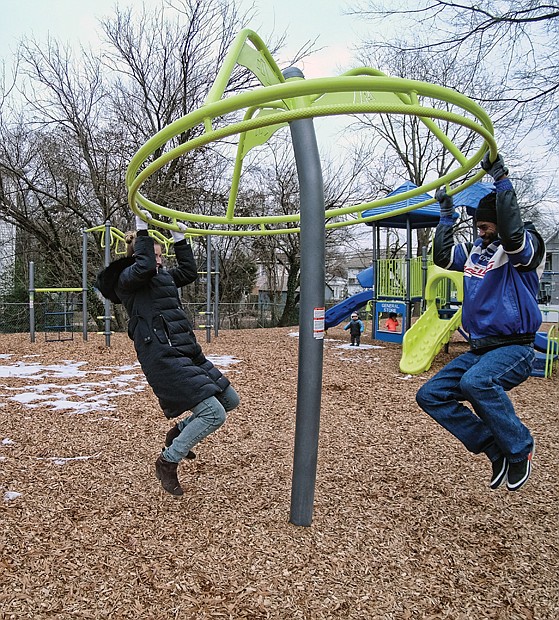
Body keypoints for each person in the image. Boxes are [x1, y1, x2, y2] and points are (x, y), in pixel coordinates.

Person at [416, 153, 545, 492]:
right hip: (480, 348)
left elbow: (514, 238)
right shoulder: (478, 250)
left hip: (515, 346)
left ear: (502, 222)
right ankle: (494, 448)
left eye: (487, 227)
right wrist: (446, 217)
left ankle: (519, 449)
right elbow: (444, 257)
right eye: (479, 228)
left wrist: (502, 180)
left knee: (477, 382)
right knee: (431, 394)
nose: (482, 233)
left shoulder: (523, 249)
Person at [95, 214, 240, 497]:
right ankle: (167, 461)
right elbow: (145, 265)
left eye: (162, 255)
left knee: (229, 400)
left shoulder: (162, 277)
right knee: (213, 414)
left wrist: (180, 238)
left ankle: (178, 432)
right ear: (137, 255)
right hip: (161, 354)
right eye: (154, 254)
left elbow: (188, 273)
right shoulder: (127, 280)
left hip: (186, 350)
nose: (159, 260)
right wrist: (142, 229)